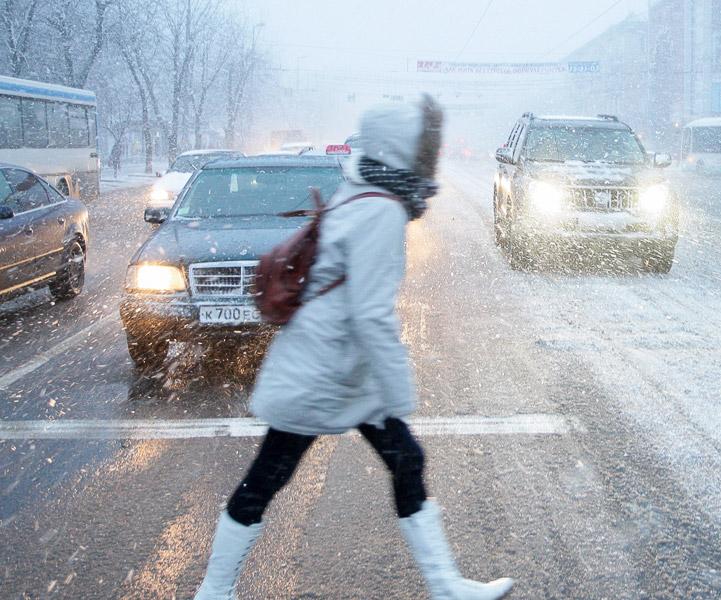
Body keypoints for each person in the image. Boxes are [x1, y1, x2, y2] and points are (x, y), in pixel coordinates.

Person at [194, 95, 514, 600]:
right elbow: (370, 312)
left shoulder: (358, 191)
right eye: (424, 147)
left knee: (398, 461)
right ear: (404, 149)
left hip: (334, 366)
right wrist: (399, 390)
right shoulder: (381, 210)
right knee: (270, 476)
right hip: (325, 371)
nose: (430, 157)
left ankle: (447, 586)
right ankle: (214, 591)